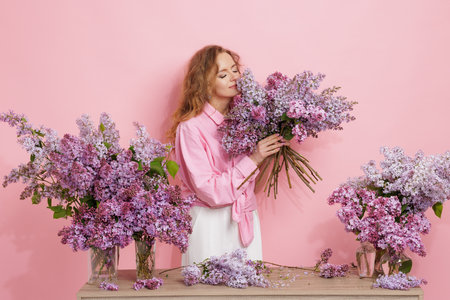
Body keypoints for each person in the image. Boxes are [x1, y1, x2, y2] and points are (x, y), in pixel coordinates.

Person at [168, 45, 286, 265]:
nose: (234, 77)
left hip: (245, 218)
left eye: (234, 70)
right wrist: (255, 158)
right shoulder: (191, 128)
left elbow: (253, 182)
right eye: (223, 74)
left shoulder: (249, 119)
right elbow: (209, 190)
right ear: (205, 83)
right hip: (209, 223)